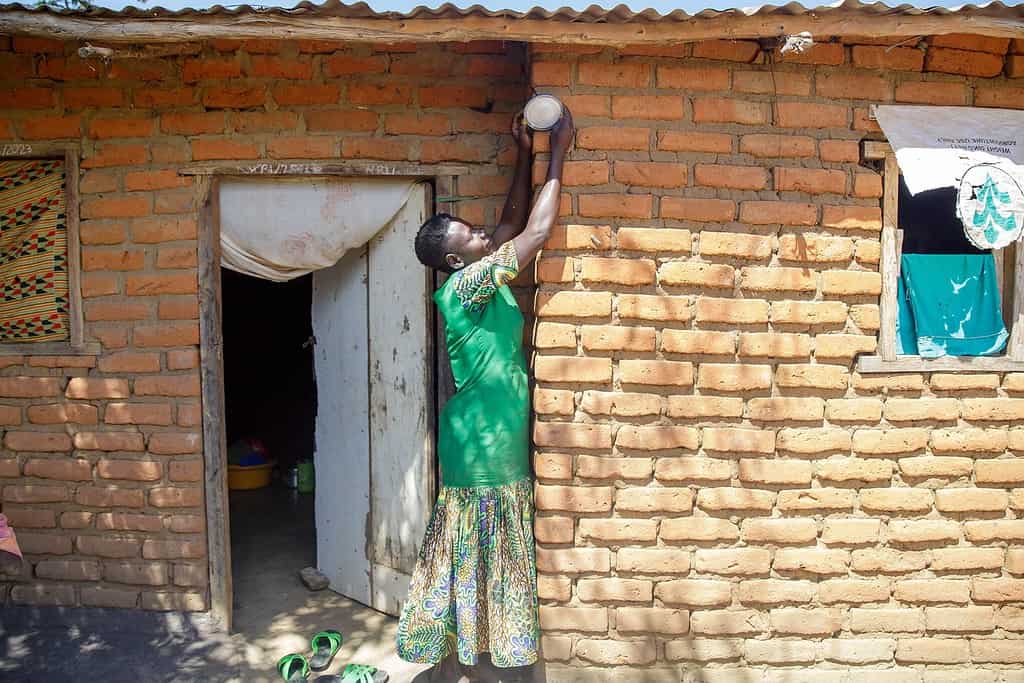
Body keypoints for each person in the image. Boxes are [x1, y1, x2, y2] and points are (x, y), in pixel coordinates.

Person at [396, 105, 574, 675]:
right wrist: (560, 152)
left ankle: (473, 651)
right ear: (455, 258)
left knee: (480, 548)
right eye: (469, 236)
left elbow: (509, 222)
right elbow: (537, 231)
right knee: (484, 547)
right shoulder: (470, 285)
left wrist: (524, 154)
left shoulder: (473, 276)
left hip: (480, 433)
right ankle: (479, 656)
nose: (481, 234)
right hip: (483, 441)